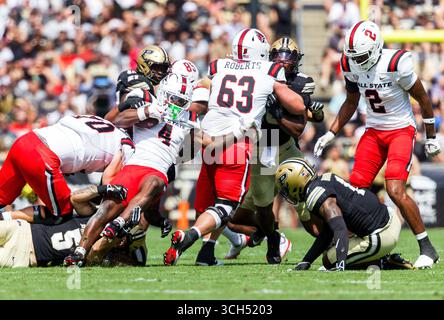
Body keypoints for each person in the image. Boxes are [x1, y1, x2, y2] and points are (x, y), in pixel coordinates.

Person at [163, 28, 307, 266]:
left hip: (208, 141)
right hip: (237, 142)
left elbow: (200, 96)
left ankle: (207, 253)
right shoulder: (270, 70)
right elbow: (298, 106)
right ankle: (191, 236)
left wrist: (180, 113)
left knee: (209, 204)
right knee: (226, 205)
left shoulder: (218, 66)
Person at [313, 20, 441, 269]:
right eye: (354, 57)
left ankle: (427, 247)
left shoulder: (395, 63)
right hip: (373, 131)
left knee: (395, 190)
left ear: (375, 48)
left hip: (400, 130)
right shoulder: (349, 62)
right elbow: (351, 101)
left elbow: (423, 100)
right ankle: (367, 249)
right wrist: (331, 132)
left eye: (361, 56)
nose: (357, 61)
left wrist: (431, 136)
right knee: (355, 191)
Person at [194, 37, 325, 264]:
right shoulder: (260, 74)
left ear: (296, 60)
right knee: (256, 208)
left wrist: (278, 112)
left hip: (284, 146)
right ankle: (271, 238)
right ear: (267, 56)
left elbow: (298, 128)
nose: (283, 62)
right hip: (262, 146)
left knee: (308, 201)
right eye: (278, 56)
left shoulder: (300, 82)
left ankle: (334, 243)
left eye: (288, 57)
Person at [64, 73, 195, 267]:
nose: (176, 104)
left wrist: (193, 137)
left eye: (181, 101)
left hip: (158, 169)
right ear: (165, 93)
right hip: (133, 165)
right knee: (107, 208)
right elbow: (114, 120)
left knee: (154, 185)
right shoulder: (147, 100)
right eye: (174, 98)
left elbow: (186, 154)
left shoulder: (189, 119)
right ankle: (80, 252)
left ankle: (118, 226)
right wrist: (147, 111)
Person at [275, 157, 413, 271]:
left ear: (294, 184)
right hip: (388, 217)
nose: (286, 193)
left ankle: (384, 262)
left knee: (329, 260)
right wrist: (306, 261)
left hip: (381, 235)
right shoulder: (325, 178)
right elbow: (328, 232)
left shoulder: (315, 197)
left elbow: (339, 228)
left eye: (286, 188)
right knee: (331, 250)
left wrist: (340, 263)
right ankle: (381, 258)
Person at [0, 115, 134, 224]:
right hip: (42, 156)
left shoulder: (103, 123)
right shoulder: (126, 146)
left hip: (25, 141)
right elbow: (108, 183)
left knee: (1, 198)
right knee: (61, 214)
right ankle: (4, 219)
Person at [0, 216, 146, 267]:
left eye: (125, 243)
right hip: (21, 230)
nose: (121, 241)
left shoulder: (101, 254)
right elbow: (76, 198)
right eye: (124, 237)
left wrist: (112, 242)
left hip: (24, 257)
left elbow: (95, 251)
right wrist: (101, 189)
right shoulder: (98, 215)